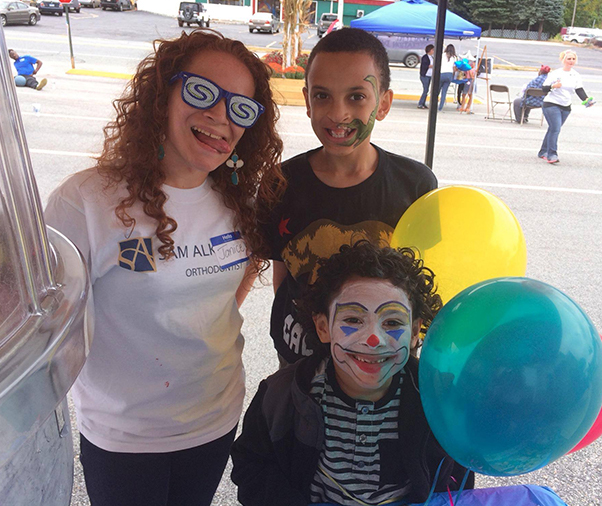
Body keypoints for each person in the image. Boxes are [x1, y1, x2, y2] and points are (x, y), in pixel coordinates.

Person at [44, 30, 285, 506]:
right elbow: (45, 325)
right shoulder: (87, 201)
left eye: (240, 108)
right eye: (202, 92)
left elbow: (228, 288)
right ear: (162, 94)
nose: (220, 117)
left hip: (214, 419)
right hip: (125, 436)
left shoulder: (237, 200)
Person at [231, 241, 474, 506]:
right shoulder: (281, 399)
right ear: (323, 327)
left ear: (415, 332)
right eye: (353, 320)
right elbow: (251, 466)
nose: (373, 339)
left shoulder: (437, 402)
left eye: (392, 322)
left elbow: (457, 479)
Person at [262, 28, 437, 366]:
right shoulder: (280, 182)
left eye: (356, 96)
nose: (338, 114)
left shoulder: (416, 185)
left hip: (383, 367)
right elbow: (283, 274)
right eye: (323, 96)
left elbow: (423, 284)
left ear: (383, 104)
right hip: (300, 362)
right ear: (307, 101)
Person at [539, 50, 594, 164]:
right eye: (568, 59)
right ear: (563, 60)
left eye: (573, 59)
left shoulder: (575, 75)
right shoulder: (555, 73)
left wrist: (586, 100)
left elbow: (579, 89)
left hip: (565, 106)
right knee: (555, 129)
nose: (571, 61)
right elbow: (544, 88)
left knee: (553, 129)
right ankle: (552, 154)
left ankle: (543, 151)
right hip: (551, 104)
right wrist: (554, 86)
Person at [437, 43, 457, 111]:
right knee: (444, 92)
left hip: (441, 73)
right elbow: (454, 68)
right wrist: (453, 76)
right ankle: (440, 107)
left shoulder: (442, 55)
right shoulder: (454, 57)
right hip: (449, 74)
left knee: (437, 91)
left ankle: (434, 104)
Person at [417, 43, 434, 109]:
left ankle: (423, 103)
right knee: (425, 89)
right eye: (432, 50)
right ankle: (420, 103)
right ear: (429, 50)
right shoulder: (425, 57)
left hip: (430, 75)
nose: (433, 51)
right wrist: (431, 66)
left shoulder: (432, 57)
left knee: (427, 90)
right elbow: (424, 66)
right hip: (425, 75)